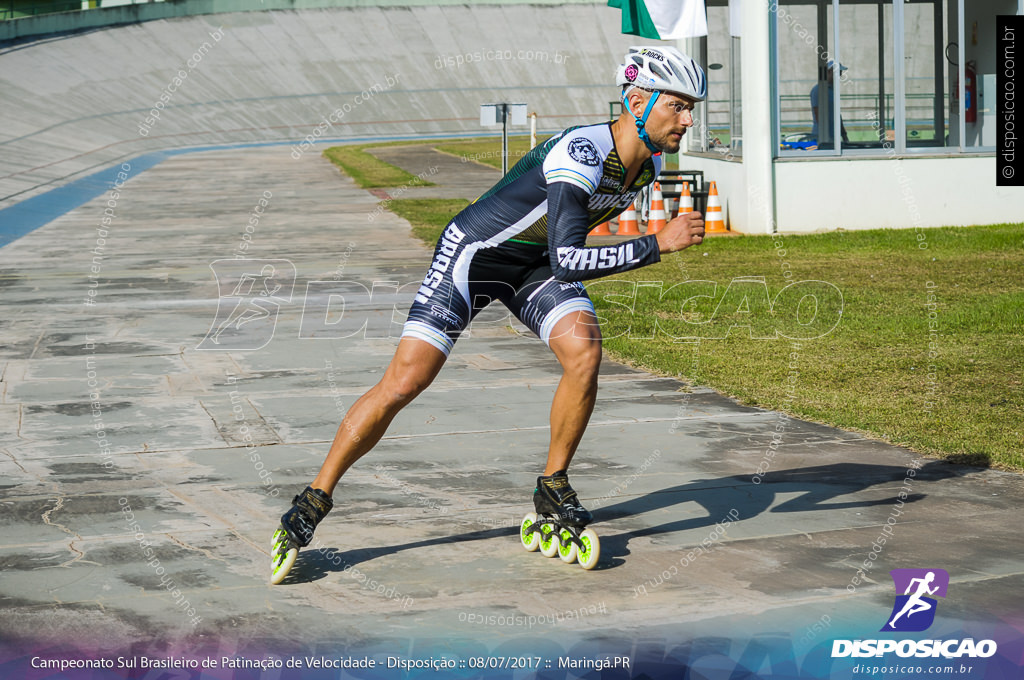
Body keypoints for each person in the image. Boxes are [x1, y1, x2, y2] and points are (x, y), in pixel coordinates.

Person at [271, 45, 708, 580]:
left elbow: (558, 256)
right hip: (474, 256)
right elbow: (570, 258)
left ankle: (552, 486)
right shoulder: (584, 154)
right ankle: (313, 501)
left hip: (533, 264)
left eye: (692, 108)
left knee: (584, 352)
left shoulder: (648, 165)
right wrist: (655, 245)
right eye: (678, 106)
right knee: (406, 383)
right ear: (636, 101)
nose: (687, 120)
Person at [810, 59, 849, 149]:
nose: (840, 75)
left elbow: (837, 115)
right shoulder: (818, 90)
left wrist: (844, 134)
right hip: (822, 137)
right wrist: (825, 135)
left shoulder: (832, 91)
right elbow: (818, 114)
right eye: (838, 72)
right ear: (829, 72)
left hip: (832, 136)